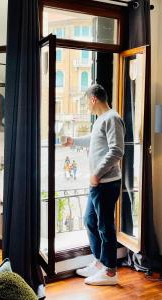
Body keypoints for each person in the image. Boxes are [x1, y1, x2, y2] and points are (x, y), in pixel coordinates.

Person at [63, 84, 125, 285]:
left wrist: (97, 174)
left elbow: (117, 151)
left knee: (105, 226)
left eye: (86, 102)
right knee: (90, 221)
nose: (86, 106)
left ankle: (110, 273)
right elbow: (93, 140)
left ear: (93, 99)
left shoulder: (112, 118)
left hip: (106, 183)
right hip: (98, 184)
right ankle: (100, 263)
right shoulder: (100, 121)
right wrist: (73, 141)